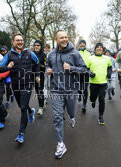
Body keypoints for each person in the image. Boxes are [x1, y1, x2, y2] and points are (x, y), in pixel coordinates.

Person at [46, 30, 87, 159]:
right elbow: (48, 65)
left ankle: (72, 117)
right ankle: (60, 144)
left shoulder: (74, 53)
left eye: (66, 37)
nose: (64, 39)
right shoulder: (51, 54)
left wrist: (72, 68)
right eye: (61, 38)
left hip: (71, 90)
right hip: (56, 89)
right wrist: (48, 70)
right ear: (55, 40)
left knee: (71, 111)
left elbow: (84, 69)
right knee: (57, 116)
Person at [0, 33, 40, 143]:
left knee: (22, 108)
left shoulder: (30, 53)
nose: (20, 42)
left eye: (21, 40)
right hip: (16, 85)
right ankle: (30, 111)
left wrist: (37, 75)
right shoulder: (9, 55)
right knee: (22, 105)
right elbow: (0, 68)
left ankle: (21, 133)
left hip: (27, 83)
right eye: (17, 40)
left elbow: (37, 63)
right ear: (13, 42)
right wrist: (8, 67)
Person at [87, 43, 112, 125]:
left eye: (100, 47)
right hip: (93, 83)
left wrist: (109, 73)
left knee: (102, 100)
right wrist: (90, 73)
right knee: (92, 98)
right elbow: (86, 69)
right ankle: (93, 101)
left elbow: (109, 66)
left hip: (103, 83)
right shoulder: (90, 58)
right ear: (95, 50)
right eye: (97, 47)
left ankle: (101, 116)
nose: (99, 48)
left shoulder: (107, 58)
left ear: (103, 50)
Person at [33, 40, 47, 115]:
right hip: (31, 76)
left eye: (38, 45)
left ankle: (40, 107)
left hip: (40, 76)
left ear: (41, 47)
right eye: (35, 45)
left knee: (39, 91)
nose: (36, 47)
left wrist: (38, 65)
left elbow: (44, 66)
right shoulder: (31, 54)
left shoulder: (43, 55)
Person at [78, 40, 91, 112]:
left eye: (84, 44)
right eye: (81, 43)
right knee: (78, 87)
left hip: (86, 72)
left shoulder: (89, 53)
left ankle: (84, 104)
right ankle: (79, 94)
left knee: (85, 88)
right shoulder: (76, 52)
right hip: (78, 72)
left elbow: (91, 62)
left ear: (85, 45)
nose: (82, 45)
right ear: (79, 45)